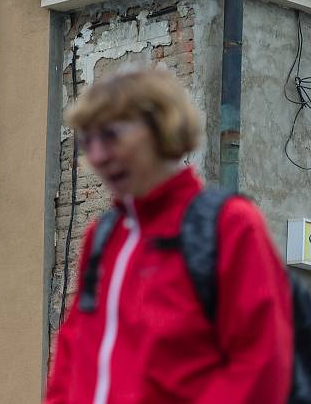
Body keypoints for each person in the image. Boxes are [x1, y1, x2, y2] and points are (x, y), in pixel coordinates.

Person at [44, 68, 293, 404]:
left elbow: (262, 364)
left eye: (112, 135)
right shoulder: (103, 237)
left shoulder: (229, 225)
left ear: (160, 128)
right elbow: (72, 354)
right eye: (88, 142)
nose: (98, 156)